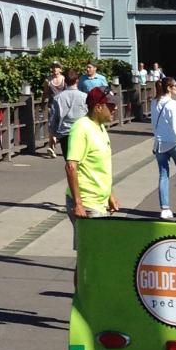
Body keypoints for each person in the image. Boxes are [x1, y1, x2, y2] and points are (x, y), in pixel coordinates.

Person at [64, 87, 120, 247]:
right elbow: (71, 167)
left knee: (90, 256)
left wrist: (110, 195)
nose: (114, 109)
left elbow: (101, 166)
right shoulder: (81, 128)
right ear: (98, 107)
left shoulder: (100, 127)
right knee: (92, 254)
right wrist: (78, 204)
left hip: (98, 200)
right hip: (87, 202)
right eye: (111, 106)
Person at [150, 78, 176, 217]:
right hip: (173, 142)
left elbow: (154, 123)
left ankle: (165, 208)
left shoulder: (154, 102)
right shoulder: (173, 104)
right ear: (169, 88)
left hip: (160, 143)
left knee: (163, 174)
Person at [48, 68, 87, 159]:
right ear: (77, 81)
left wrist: (53, 134)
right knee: (82, 160)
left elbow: (54, 118)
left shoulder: (58, 98)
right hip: (81, 132)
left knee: (69, 161)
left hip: (65, 133)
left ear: (65, 81)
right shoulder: (84, 97)